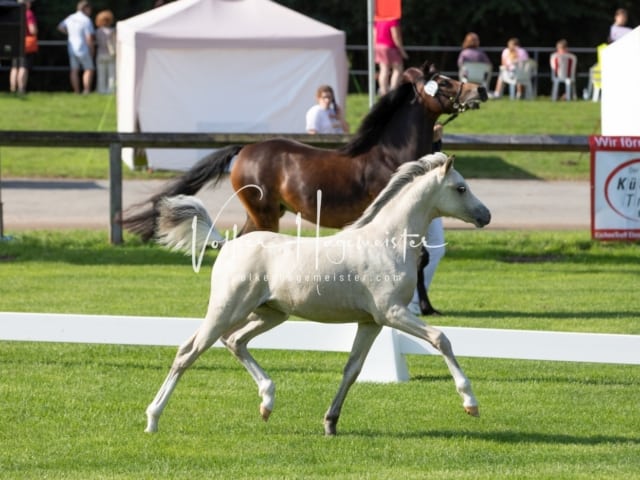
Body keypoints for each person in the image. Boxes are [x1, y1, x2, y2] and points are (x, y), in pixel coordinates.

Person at [408, 123, 446, 316]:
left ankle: (415, 299)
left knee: (437, 247)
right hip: (413, 198)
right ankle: (411, 300)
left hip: (431, 199)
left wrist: (435, 142)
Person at [58, 1, 95, 94]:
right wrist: (92, 49)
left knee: (74, 70)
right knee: (89, 69)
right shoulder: (86, 20)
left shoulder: (70, 18)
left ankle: (76, 91)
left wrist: (69, 33)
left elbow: (60, 27)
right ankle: (86, 90)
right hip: (83, 48)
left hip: (71, 48)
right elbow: (89, 37)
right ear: (86, 8)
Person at [9, 0, 38, 95]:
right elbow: (32, 30)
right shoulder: (28, 13)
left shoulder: (14, 13)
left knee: (14, 67)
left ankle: (13, 88)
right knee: (23, 67)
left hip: (14, 42)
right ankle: (21, 89)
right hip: (26, 44)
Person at [374, 17, 408, 95]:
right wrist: (402, 51)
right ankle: (393, 91)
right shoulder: (393, 20)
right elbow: (396, 36)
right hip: (390, 47)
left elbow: (374, 35)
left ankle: (383, 91)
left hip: (379, 46)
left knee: (384, 70)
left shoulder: (379, 20)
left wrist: (375, 48)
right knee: (398, 69)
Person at [94, 10, 116, 94]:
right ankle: (111, 90)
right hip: (111, 55)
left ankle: (101, 90)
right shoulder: (112, 31)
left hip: (100, 54)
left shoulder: (98, 31)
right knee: (111, 75)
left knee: (101, 75)